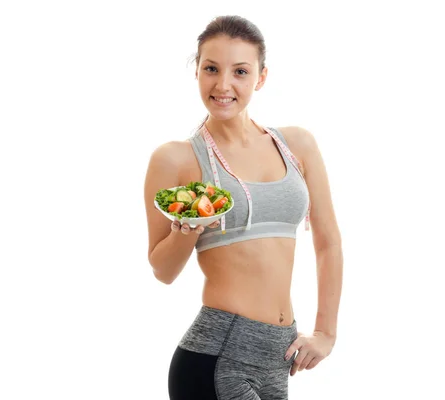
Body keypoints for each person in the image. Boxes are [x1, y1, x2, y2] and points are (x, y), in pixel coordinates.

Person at [144, 15, 343, 400]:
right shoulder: (176, 159)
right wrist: (187, 230)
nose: (223, 85)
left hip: (278, 358)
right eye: (211, 69)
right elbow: (162, 270)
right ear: (197, 71)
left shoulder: (297, 145)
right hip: (218, 357)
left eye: (240, 71)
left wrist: (326, 332)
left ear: (261, 77)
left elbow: (328, 242)